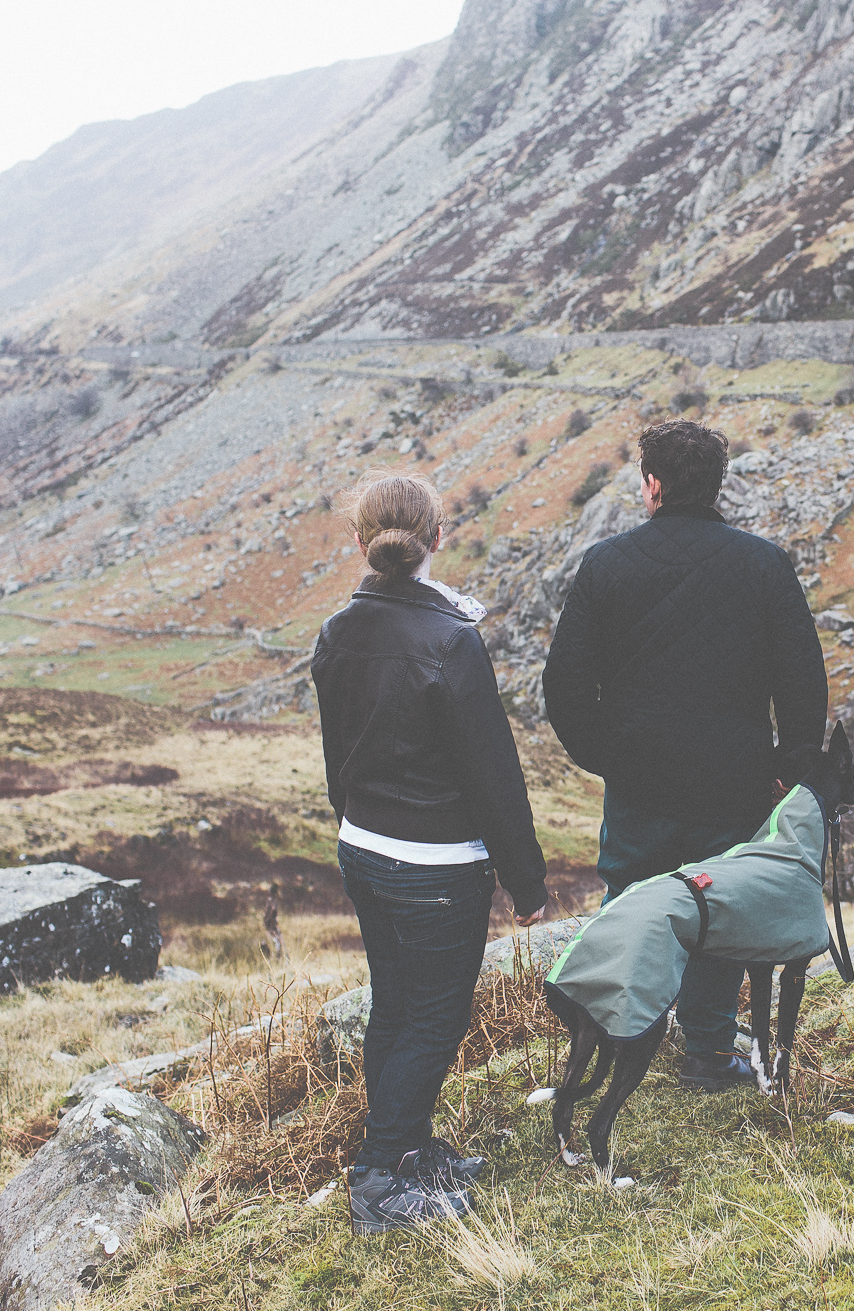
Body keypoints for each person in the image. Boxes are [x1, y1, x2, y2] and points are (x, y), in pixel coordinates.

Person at [543, 419, 827, 1089]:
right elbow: (801, 676)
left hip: (640, 779)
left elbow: (564, 684)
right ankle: (706, 1048)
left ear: (653, 484)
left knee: (633, 903)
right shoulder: (763, 564)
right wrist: (792, 760)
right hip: (735, 778)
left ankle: (623, 1036)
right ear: (716, 484)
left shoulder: (606, 565)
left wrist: (603, 754)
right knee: (715, 906)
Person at [312, 470, 549, 1235]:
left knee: (396, 1004)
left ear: (359, 541)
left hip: (364, 851)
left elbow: (335, 751)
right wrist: (526, 878)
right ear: (436, 539)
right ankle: (381, 1175)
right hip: (437, 865)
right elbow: (493, 774)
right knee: (435, 1019)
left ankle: (411, 1150)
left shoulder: (335, 632)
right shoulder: (451, 642)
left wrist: (353, 822)